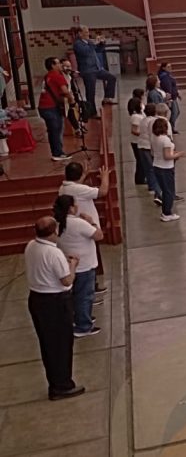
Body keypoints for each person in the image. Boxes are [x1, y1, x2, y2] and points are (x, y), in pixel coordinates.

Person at [24, 217, 84, 401]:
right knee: (61, 344)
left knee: (48, 344)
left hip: (37, 298)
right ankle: (62, 385)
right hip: (55, 302)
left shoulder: (31, 246)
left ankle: (55, 382)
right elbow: (66, 280)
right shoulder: (54, 253)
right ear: (54, 232)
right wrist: (72, 265)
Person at [53, 195, 104, 337]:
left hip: (69, 265)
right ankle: (83, 325)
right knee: (84, 296)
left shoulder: (58, 223)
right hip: (84, 265)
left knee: (75, 295)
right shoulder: (79, 223)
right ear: (70, 208)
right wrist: (92, 222)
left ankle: (79, 317)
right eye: (75, 204)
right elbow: (99, 235)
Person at [59, 161, 111, 294]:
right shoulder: (79, 190)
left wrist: (83, 176)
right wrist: (105, 177)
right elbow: (103, 191)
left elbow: (76, 186)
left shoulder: (63, 188)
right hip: (86, 227)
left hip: (76, 228)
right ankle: (91, 288)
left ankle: (91, 286)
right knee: (90, 259)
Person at [72, 26, 117, 112]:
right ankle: (92, 111)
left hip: (97, 68)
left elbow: (98, 50)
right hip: (87, 70)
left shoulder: (89, 42)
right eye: (85, 32)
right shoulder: (78, 44)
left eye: (88, 31)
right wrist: (95, 42)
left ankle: (107, 97)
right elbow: (86, 52)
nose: (88, 34)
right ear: (80, 33)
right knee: (91, 91)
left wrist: (101, 43)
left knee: (112, 78)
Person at [38, 56, 73, 162]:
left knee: (53, 130)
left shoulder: (47, 76)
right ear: (53, 65)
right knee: (56, 130)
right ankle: (58, 153)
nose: (61, 65)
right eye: (58, 63)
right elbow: (65, 91)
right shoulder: (57, 76)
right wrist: (72, 100)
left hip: (43, 107)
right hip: (51, 107)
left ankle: (56, 152)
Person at [152, 117, 182, 222]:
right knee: (169, 191)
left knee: (165, 190)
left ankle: (165, 211)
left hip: (157, 165)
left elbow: (154, 152)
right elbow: (167, 156)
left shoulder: (154, 138)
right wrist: (178, 154)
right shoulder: (165, 140)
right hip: (166, 168)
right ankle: (167, 213)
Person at [138, 103, 161, 203]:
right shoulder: (153, 121)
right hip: (148, 146)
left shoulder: (143, 120)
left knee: (147, 168)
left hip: (141, 145)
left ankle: (151, 185)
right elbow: (153, 134)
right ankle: (156, 190)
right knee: (153, 168)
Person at [157, 62, 181, 133]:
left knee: (176, 112)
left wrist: (177, 94)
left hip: (174, 96)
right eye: (168, 67)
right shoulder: (164, 76)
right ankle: (170, 127)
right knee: (175, 112)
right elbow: (168, 87)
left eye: (170, 66)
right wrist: (169, 98)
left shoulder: (168, 75)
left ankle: (170, 126)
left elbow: (173, 86)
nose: (170, 68)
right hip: (171, 98)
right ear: (163, 68)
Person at [127, 95, 146, 185]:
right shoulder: (135, 117)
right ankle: (139, 179)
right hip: (137, 142)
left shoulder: (140, 115)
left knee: (142, 161)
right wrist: (144, 133)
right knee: (140, 161)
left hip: (140, 141)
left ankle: (141, 177)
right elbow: (134, 130)